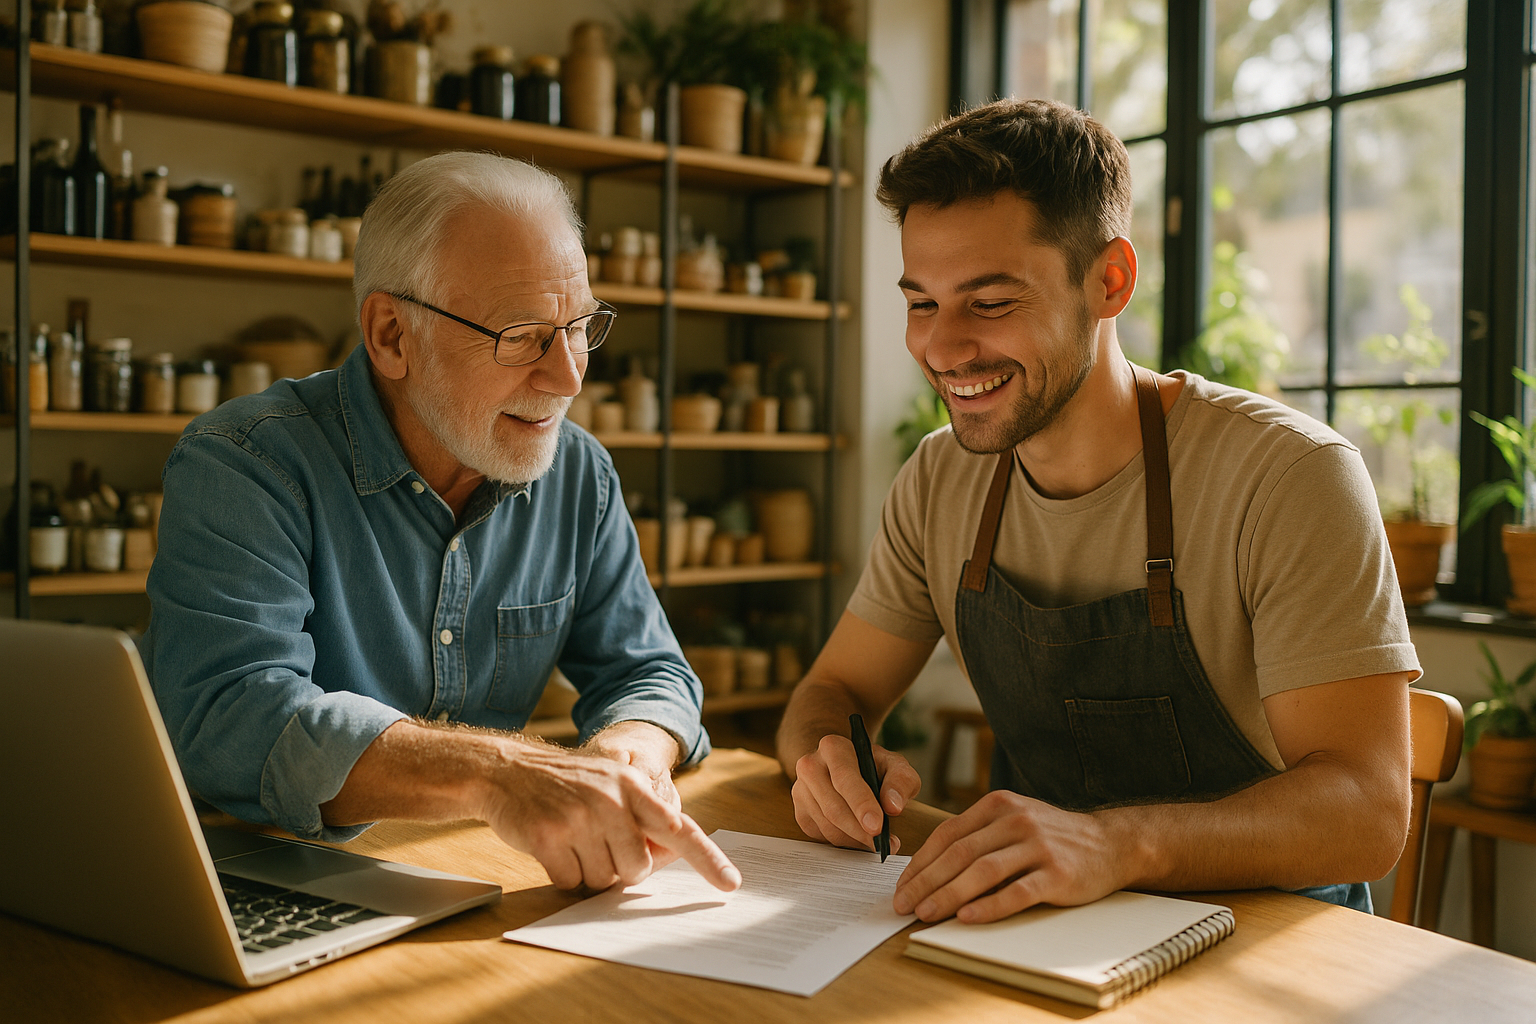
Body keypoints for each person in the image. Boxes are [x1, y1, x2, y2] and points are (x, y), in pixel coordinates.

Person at [777, 99, 1419, 924]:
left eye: (992, 301)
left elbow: (1366, 813)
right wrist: (824, 758)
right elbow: (832, 689)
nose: (942, 348)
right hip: (1046, 924)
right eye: (922, 303)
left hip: (1278, 934)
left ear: (1109, 281)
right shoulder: (940, 481)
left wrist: (1116, 845)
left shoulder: (1289, 476)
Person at [143, 151, 739, 896]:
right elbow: (229, 719)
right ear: (392, 335)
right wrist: (497, 774)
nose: (569, 377)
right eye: (522, 335)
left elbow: (649, 672)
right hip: (254, 879)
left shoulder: (579, 473)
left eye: (579, 326)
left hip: (470, 879)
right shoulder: (244, 464)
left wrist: (628, 757)